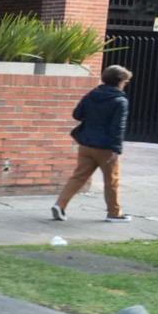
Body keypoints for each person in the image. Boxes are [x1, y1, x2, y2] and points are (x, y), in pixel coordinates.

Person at [51, 65, 133, 223]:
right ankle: (114, 213)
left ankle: (60, 205)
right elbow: (118, 127)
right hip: (106, 148)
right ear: (120, 81)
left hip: (86, 144)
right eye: (126, 81)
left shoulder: (92, 95)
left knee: (78, 177)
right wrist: (116, 149)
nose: (126, 84)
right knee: (112, 180)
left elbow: (77, 114)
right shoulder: (120, 101)